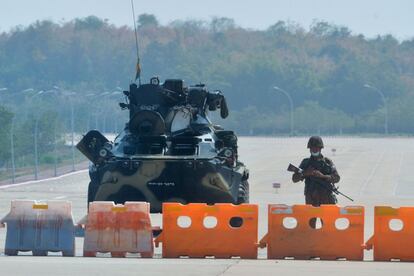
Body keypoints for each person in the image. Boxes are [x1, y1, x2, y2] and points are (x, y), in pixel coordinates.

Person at [292, 136, 340, 228]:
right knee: (310, 225)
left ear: (321, 148)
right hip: (311, 198)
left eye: (316, 147)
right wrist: (306, 173)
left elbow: (337, 178)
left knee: (326, 226)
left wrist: (322, 176)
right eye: (312, 148)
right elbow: (294, 179)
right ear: (309, 149)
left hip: (325, 197)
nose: (314, 149)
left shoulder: (327, 162)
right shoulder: (305, 163)